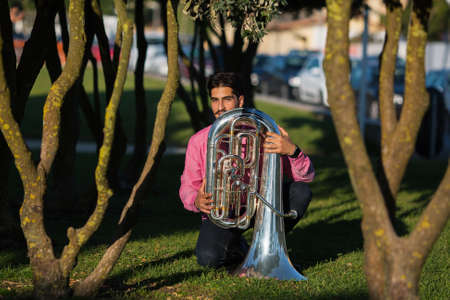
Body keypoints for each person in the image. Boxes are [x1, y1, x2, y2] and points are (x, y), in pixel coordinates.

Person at [179, 72, 314, 268]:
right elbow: (187, 187)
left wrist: (292, 151)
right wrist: (196, 201)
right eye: (215, 100)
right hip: (223, 210)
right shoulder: (199, 141)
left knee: (300, 193)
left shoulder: (264, 132)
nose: (220, 107)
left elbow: (306, 177)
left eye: (226, 99)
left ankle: (268, 245)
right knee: (209, 258)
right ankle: (239, 247)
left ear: (240, 100)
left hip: (261, 204)